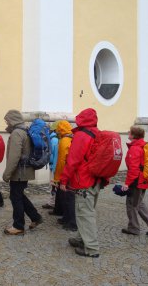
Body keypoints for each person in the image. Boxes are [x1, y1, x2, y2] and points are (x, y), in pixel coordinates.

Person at [60, 108, 102, 258]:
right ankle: (80, 239)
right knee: (85, 211)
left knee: (85, 213)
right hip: (95, 180)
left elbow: (73, 160)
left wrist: (63, 179)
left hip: (84, 180)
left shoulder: (81, 136)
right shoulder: (98, 133)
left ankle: (91, 248)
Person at [2, 110, 43, 235]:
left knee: (16, 197)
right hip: (24, 170)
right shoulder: (24, 131)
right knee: (19, 195)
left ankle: (18, 226)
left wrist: (7, 174)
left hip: (19, 172)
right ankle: (35, 217)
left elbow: (14, 156)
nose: (6, 122)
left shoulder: (17, 133)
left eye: (7, 120)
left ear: (12, 120)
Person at [121, 126, 148, 236]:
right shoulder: (143, 145)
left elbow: (134, 169)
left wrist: (127, 183)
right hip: (143, 180)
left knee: (132, 204)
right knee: (138, 203)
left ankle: (134, 228)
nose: (128, 133)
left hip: (136, 181)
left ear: (134, 135)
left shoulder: (135, 148)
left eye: (129, 132)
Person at [53, 120, 76, 231]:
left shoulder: (64, 141)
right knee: (67, 197)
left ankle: (70, 221)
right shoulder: (72, 138)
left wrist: (60, 178)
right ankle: (66, 218)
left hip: (65, 173)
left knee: (68, 198)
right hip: (71, 172)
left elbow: (62, 160)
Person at [42, 121, 59, 209]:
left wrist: (53, 167)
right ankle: (54, 202)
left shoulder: (53, 140)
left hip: (54, 167)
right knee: (54, 185)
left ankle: (52, 203)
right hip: (55, 166)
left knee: (52, 185)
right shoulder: (56, 139)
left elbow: (54, 155)